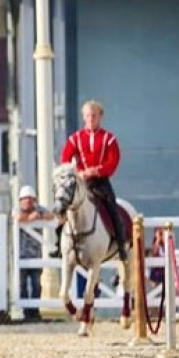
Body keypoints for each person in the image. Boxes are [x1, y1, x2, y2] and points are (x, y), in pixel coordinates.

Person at [61, 99, 126, 260]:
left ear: (100, 117)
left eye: (94, 116)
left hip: (101, 182)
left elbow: (113, 161)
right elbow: (65, 159)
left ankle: (121, 243)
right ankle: (59, 245)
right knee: (65, 207)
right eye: (88, 115)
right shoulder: (75, 138)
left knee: (112, 208)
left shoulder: (108, 139)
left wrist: (97, 170)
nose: (91, 119)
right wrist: (79, 172)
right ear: (83, 117)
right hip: (82, 183)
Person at [16, 185, 54, 320]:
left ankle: (35, 311)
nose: (28, 202)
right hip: (20, 255)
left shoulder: (39, 210)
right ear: (20, 200)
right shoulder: (18, 210)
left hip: (36, 255)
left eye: (31, 199)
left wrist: (40, 216)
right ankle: (27, 312)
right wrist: (29, 218)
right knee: (22, 285)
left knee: (37, 284)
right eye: (25, 199)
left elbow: (51, 215)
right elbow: (16, 218)